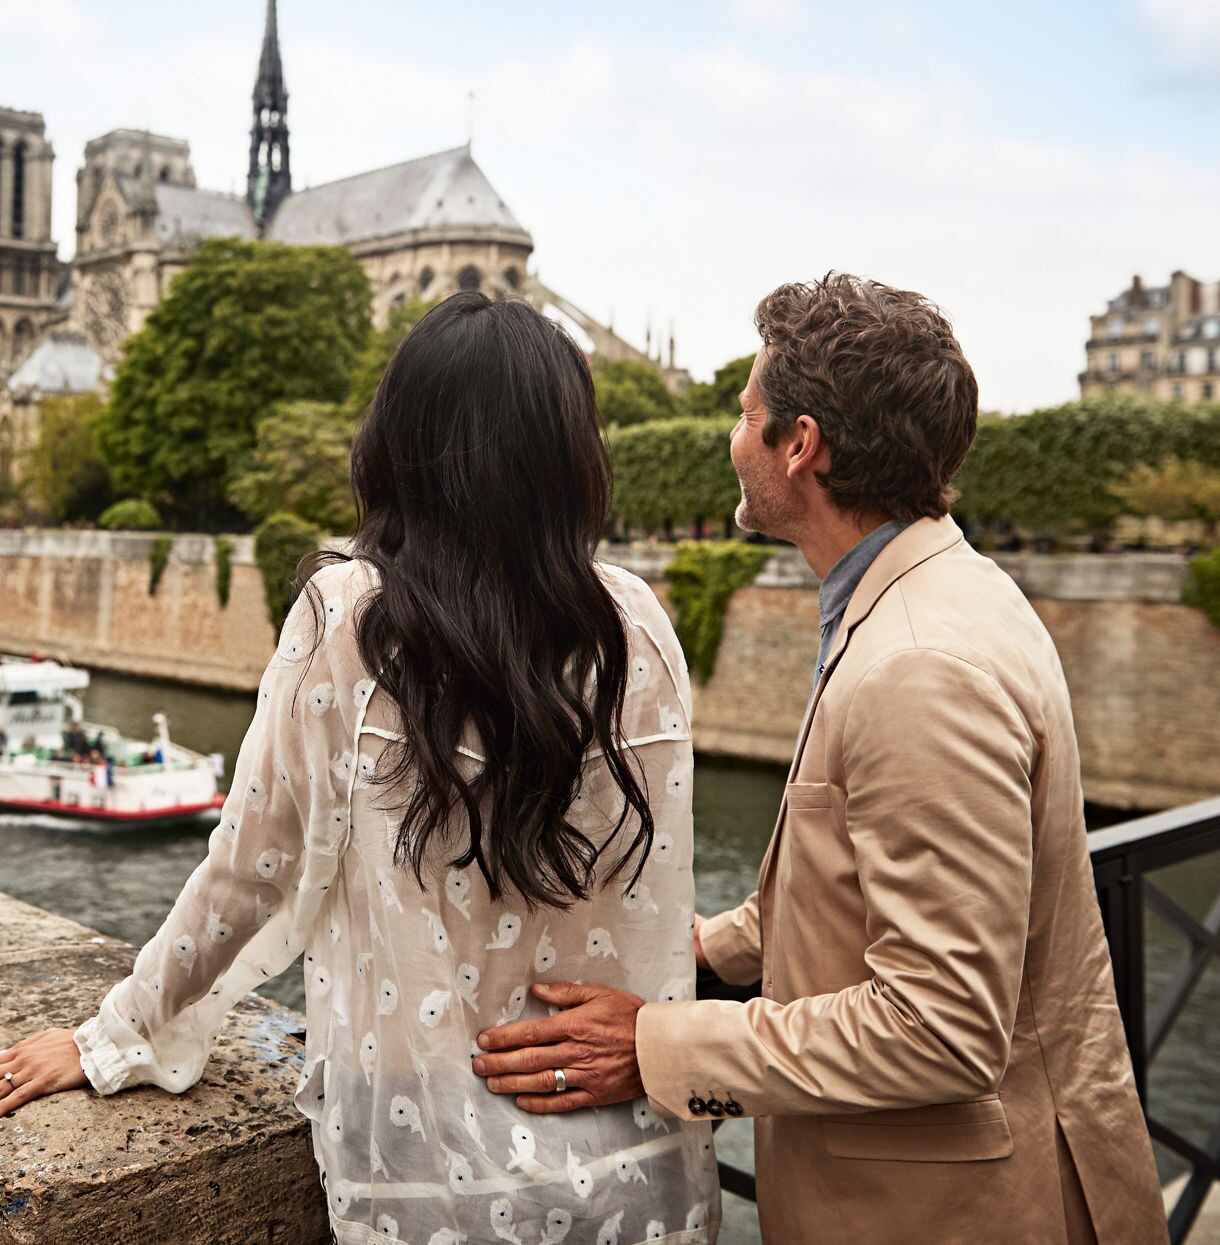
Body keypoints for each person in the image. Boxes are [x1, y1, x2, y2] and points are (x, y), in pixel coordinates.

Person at [0, 292, 719, 1245]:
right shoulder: (638, 628)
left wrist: (113, 1034)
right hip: (640, 1182)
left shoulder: (352, 622)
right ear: (571, 457)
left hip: (430, 1186)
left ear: (400, 443)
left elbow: (247, 871)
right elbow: (653, 913)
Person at [472, 274, 1167, 1245]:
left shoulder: (918, 666)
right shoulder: (933, 593)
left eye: (743, 412)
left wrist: (653, 1044)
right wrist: (696, 956)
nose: (729, 435)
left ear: (799, 446)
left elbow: (937, 1025)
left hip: (953, 1215)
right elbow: (848, 873)